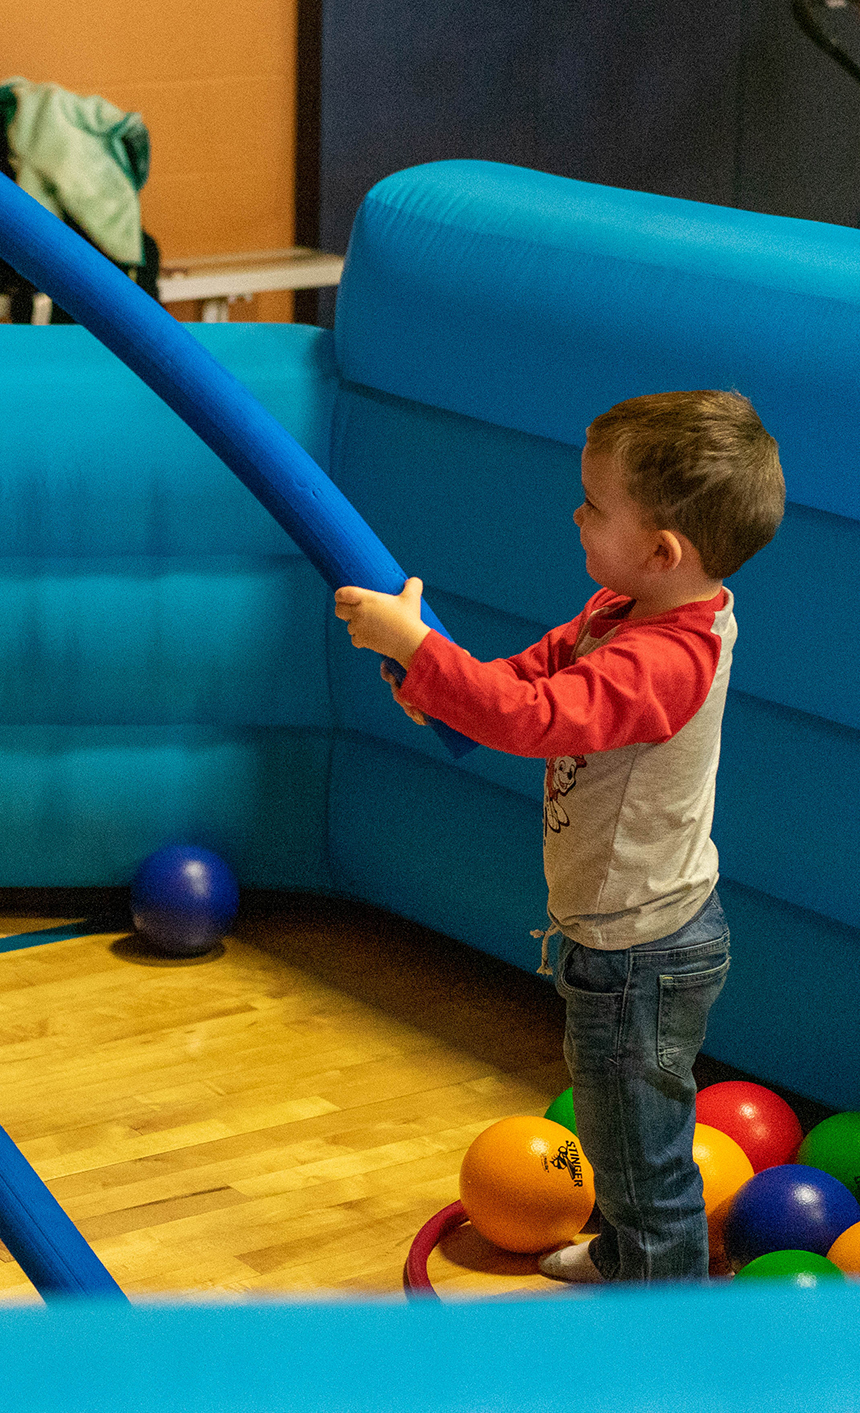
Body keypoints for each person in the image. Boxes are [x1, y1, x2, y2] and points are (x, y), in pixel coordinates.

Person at [333, 390, 785, 1284]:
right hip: (619, 936)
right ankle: (627, 1254)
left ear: (663, 550)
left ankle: (657, 1335)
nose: (575, 513)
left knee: (642, 1157)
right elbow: (531, 672)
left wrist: (423, 650)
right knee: (622, 1138)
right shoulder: (624, 607)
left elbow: (537, 716)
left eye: (594, 504)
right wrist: (438, 680)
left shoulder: (669, 657)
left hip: (642, 950)